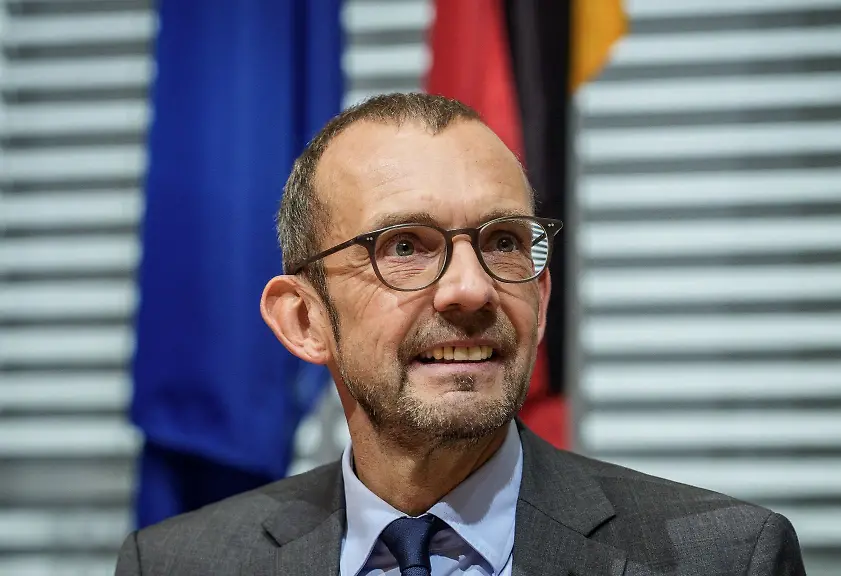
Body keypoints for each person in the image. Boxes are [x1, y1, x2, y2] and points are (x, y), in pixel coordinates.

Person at [115, 93, 806, 576]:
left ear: (541, 296)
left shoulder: (727, 559)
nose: (472, 289)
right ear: (305, 319)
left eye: (504, 241)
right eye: (404, 247)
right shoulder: (177, 565)